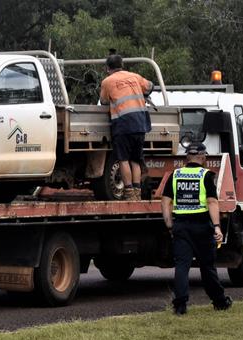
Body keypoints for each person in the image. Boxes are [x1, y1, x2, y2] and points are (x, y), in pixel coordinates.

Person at [160, 142, 233, 315]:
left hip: (181, 226)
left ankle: (180, 306)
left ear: (187, 157)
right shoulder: (206, 175)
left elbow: (165, 201)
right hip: (202, 227)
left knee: (182, 266)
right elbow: (212, 202)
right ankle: (219, 301)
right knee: (207, 267)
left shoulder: (175, 174)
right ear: (202, 157)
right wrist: (217, 227)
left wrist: (169, 223)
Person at [99, 53, 154, 201]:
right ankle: (137, 192)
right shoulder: (135, 76)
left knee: (123, 159)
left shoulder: (107, 81)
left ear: (107, 68)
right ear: (122, 65)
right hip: (141, 123)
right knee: (135, 160)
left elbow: (103, 101)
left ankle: (129, 192)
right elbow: (150, 86)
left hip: (123, 125)